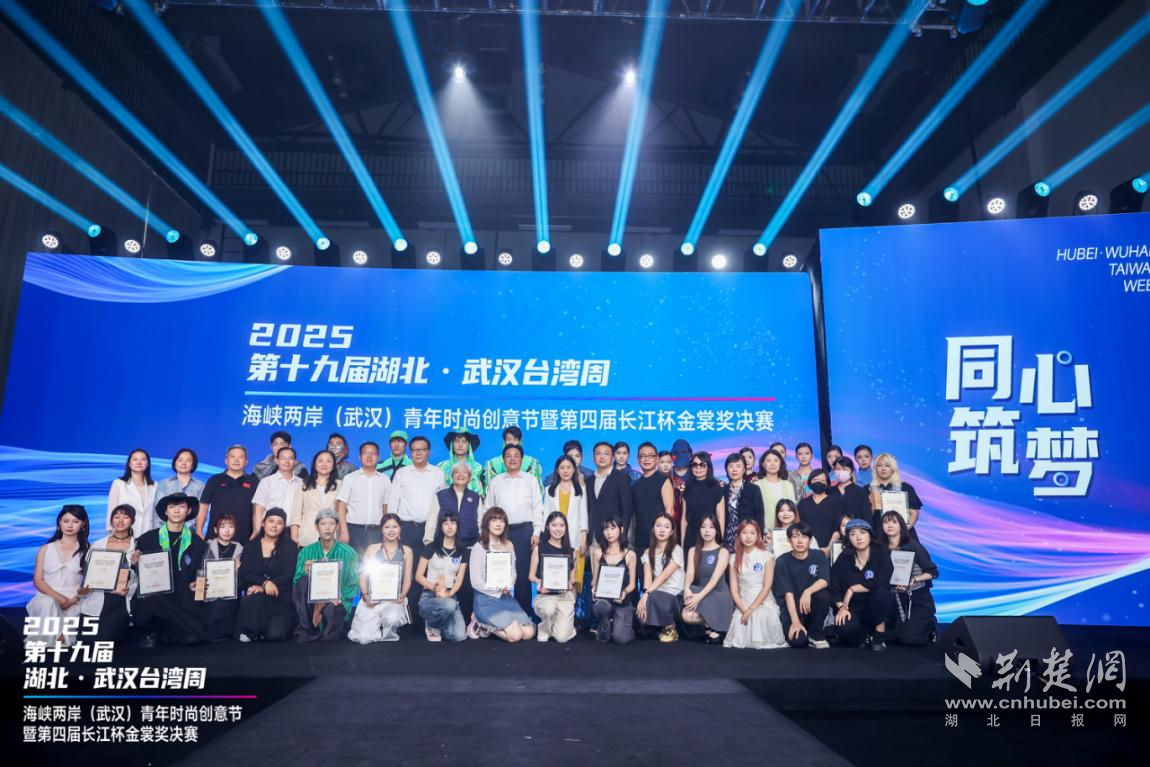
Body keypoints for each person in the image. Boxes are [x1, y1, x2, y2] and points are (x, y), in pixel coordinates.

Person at [132, 493, 207, 647]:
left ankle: (164, 633)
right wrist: (134, 563)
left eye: (181, 507)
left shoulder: (198, 543)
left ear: (188, 511)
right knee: (151, 600)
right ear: (166, 511)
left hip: (182, 597)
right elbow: (141, 575)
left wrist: (195, 583)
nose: (176, 511)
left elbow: (198, 574)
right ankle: (157, 631)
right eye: (172, 507)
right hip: (156, 595)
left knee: (196, 636)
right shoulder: (147, 539)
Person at [486, 444, 545, 614]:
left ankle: (524, 615)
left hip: (525, 531)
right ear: (503, 460)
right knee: (499, 573)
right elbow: (489, 508)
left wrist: (536, 532)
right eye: (508, 456)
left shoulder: (530, 480)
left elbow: (537, 508)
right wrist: (489, 534)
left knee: (522, 575)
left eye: (516, 455)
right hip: (501, 532)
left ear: (521, 459)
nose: (512, 459)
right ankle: (499, 615)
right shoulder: (496, 481)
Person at [389, 435, 444, 610]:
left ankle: (424, 616)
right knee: (406, 571)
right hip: (407, 529)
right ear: (410, 452)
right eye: (414, 450)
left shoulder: (438, 473)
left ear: (429, 452)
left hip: (430, 530)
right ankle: (404, 614)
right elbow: (393, 502)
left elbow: (442, 504)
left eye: (422, 450)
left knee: (428, 572)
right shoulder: (402, 473)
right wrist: (393, 529)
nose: (418, 453)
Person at [469, 507, 536, 642]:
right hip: (486, 600)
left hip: (505, 597)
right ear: (487, 523)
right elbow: (475, 582)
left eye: (502, 521)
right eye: (494, 520)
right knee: (515, 636)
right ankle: (479, 623)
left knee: (529, 633)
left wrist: (509, 583)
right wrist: (497, 587)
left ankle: (494, 625)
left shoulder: (509, 545)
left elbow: (513, 572)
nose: (498, 524)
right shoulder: (479, 547)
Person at [292, 508, 359, 642]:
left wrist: (340, 597)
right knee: (303, 581)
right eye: (323, 524)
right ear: (317, 527)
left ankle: (327, 629)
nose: (327, 528)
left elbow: (353, 584)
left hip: (336, 601)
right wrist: (305, 571)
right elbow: (296, 584)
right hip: (311, 604)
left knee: (329, 635)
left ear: (337, 526)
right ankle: (307, 629)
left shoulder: (349, 553)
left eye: (331, 523)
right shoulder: (305, 552)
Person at [235, 507, 298, 643]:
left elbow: (289, 575)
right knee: (253, 600)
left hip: (280, 600)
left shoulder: (291, 547)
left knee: (274, 635)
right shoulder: (251, 546)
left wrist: (264, 587)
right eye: (271, 521)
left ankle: (263, 628)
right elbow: (245, 573)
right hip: (257, 599)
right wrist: (265, 583)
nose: (274, 525)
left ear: (284, 527)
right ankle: (250, 630)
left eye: (279, 523)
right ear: (263, 523)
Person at [27, 505, 88, 646]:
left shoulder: (88, 550)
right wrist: (61, 599)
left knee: (65, 640)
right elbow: (38, 581)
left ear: (83, 524)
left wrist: (74, 599)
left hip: (75, 599)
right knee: (48, 604)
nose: (70, 525)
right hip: (48, 595)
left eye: (75, 521)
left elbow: (91, 582)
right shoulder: (45, 549)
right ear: (59, 522)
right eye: (66, 521)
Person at [348, 514, 413, 643]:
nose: (391, 530)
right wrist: (365, 595)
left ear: (400, 529)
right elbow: (363, 575)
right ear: (381, 529)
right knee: (363, 638)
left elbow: (407, 578)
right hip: (372, 598)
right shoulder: (372, 549)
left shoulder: (406, 551)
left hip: (393, 599)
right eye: (387, 527)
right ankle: (375, 625)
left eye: (395, 527)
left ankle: (388, 629)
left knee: (392, 618)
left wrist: (403, 594)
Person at [830, 518, 892, 651]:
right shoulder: (844, 557)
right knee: (844, 629)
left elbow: (882, 580)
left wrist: (853, 589)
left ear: (870, 535)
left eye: (862, 532)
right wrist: (841, 607)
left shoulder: (881, 552)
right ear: (848, 538)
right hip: (853, 607)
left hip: (876, 606)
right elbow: (834, 584)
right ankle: (863, 636)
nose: (858, 538)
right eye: (853, 534)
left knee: (881, 592)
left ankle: (878, 635)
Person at [724, 519, 786, 650]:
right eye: (744, 532)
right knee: (738, 636)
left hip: (764, 603)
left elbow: (767, 587)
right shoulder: (733, 558)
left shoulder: (767, 556)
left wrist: (751, 610)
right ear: (739, 535)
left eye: (752, 533)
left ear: (758, 535)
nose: (748, 537)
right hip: (743, 604)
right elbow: (734, 589)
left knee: (758, 615)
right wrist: (744, 610)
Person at [881, 511, 939, 646]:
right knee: (891, 637)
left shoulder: (914, 546)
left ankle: (930, 624)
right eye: (886, 522)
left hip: (917, 598)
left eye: (894, 522)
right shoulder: (880, 549)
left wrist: (914, 579)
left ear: (901, 526)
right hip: (895, 598)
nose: (890, 525)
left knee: (907, 639)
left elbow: (933, 572)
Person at [79, 504, 134, 643]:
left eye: (125, 517)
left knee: (105, 639)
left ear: (132, 521)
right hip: (97, 596)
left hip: (122, 598)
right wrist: (85, 588)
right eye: (116, 517)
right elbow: (88, 572)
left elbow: (138, 578)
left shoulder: (137, 545)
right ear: (111, 520)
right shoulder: (98, 545)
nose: (120, 520)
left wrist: (129, 587)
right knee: (86, 640)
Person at [773, 521, 831, 649]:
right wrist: (795, 622)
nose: (799, 541)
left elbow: (824, 580)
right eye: (795, 537)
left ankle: (815, 634)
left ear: (810, 540)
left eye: (804, 537)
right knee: (799, 641)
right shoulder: (782, 561)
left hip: (811, 605)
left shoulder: (819, 555)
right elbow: (788, 593)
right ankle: (803, 632)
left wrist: (808, 591)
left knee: (823, 595)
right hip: (792, 608)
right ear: (789, 540)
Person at [415, 512, 469, 642]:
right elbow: (418, 576)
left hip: (449, 595)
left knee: (460, 636)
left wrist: (449, 594)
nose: (449, 527)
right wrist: (435, 588)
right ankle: (432, 624)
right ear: (441, 526)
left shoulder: (463, 551)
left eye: (453, 523)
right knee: (449, 605)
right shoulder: (431, 547)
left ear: (458, 526)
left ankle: (438, 624)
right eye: (445, 523)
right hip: (429, 595)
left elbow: (459, 579)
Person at [680, 513, 734, 642]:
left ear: (717, 530)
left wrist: (698, 597)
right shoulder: (693, 550)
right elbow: (690, 573)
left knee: (690, 611)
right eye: (703, 527)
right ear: (699, 529)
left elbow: (714, 580)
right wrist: (686, 588)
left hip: (718, 594)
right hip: (699, 590)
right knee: (686, 615)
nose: (707, 530)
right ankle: (709, 625)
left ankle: (719, 626)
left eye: (711, 527)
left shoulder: (723, 551)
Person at [529, 512, 578, 643]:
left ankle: (563, 626)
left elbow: (572, 579)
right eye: (554, 525)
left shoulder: (571, 551)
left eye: (561, 525)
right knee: (549, 608)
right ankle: (544, 628)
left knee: (561, 638)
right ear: (547, 527)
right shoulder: (539, 548)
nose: (558, 529)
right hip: (545, 596)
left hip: (564, 597)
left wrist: (568, 584)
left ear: (566, 528)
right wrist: (540, 582)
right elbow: (531, 576)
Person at [335, 441, 391, 554]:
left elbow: (386, 507)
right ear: (359, 457)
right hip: (353, 530)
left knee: (376, 563)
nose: (369, 456)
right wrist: (344, 530)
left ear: (378, 457)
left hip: (377, 531)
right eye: (365, 453)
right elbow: (341, 505)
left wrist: (387, 530)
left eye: (373, 453)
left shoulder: (385, 479)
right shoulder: (350, 478)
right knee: (353, 563)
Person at [635, 514, 683, 642]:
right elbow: (648, 577)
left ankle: (671, 628)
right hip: (656, 593)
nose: (662, 530)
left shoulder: (676, 550)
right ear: (653, 529)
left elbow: (664, 576)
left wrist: (648, 594)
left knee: (653, 597)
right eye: (658, 526)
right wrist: (644, 596)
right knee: (640, 615)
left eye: (666, 527)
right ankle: (659, 626)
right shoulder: (647, 552)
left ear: (672, 531)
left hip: (675, 596)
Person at [544, 455, 588, 592]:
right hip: (555, 537)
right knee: (557, 577)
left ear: (574, 470)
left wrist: (583, 537)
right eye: (562, 468)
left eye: (569, 467)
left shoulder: (581, 490)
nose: (565, 471)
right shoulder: (549, 490)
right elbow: (546, 516)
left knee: (574, 579)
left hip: (575, 538)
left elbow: (583, 514)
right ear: (557, 470)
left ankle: (572, 605)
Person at [590, 517, 636, 644]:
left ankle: (622, 627)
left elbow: (632, 584)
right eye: (606, 529)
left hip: (622, 601)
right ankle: (605, 622)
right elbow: (594, 580)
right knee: (601, 606)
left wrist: (624, 592)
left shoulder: (630, 555)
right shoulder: (598, 553)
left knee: (620, 639)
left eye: (613, 528)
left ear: (621, 530)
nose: (609, 532)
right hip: (605, 600)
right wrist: (594, 589)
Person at [198, 445, 258, 542]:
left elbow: (257, 510)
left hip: (244, 537)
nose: (236, 460)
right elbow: (203, 506)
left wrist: (256, 532)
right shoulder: (214, 480)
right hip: (215, 537)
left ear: (246, 462)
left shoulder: (254, 482)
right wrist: (199, 530)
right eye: (232, 456)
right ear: (226, 460)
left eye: (240, 457)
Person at [202, 512, 244, 641]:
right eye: (223, 526)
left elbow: (242, 579)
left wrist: (236, 570)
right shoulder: (207, 547)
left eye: (231, 526)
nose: (227, 530)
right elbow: (200, 572)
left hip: (231, 593)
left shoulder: (239, 549)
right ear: (215, 529)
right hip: (210, 592)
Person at [586, 441, 634, 548]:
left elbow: (626, 510)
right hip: (594, 537)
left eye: (606, 454)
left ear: (612, 457)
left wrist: (622, 535)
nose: (602, 457)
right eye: (598, 453)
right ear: (593, 457)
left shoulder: (622, 478)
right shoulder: (589, 480)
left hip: (613, 537)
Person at [251, 446, 304, 542]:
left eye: (290, 458)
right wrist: (257, 532)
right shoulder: (266, 482)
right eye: (283, 458)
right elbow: (258, 510)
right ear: (277, 460)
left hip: (293, 532)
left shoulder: (302, 483)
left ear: (295, 461)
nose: (286, 461)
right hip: (270, 531)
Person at [631, 442, 674, 556]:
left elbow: (669, 511)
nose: (646, 459)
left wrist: (664, 537)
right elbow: (635, 515)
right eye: (643, 456)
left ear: (656, 459)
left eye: (650, 455)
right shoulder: (635, 485)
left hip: (660, 540)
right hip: (640, 541)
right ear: (638, 459)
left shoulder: (664, 481)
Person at [292, 450, 341, 547]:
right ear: (314, 464)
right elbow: (295, 514)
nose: (324, 464)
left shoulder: (341, 485)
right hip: (307, 535)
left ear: (334, 465)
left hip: (332, 536)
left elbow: (343, 514)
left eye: (328, 461)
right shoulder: (303, 485)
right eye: (320, 461)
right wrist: (294, 537)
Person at [868, 453, 924, 536]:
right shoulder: (868, 489)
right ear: (875, 468)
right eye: (879, 465)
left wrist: (904, 530)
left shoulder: (905, 487)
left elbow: (913, 513)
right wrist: (872, 505)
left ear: (893, 468)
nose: (883, 469)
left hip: (904, 534)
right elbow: (866, 516)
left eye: (887, 465)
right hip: (878, 534)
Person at [681, 452, 724, 553]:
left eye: (702, 465)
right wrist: (682, 542)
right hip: (691, 537)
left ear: (708, 466)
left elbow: (721, 516)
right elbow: (684, 518)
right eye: (695, 465)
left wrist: (720, 540)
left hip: (710, 537)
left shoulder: (717, 487)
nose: (698, 468)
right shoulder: (687, 488)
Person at [107, 448, 157, 537]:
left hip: (148, 533)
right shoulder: (119, 483)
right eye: (135, 459)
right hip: (124, 533)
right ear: (129, 463)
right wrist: (111, 530)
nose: (139, 462)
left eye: (143, 459)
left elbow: (155, 513)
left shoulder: (154, 485)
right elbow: (112, 509)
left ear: (148, 464)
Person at [723, 452, 764, 553]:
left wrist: (759, 536)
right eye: (731, 466)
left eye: (738, 466)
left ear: (744, 469)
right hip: (727, 537)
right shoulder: (722, 490)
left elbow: (759, 515)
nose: (734, 469)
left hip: (747, 536)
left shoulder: (753, 489)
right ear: (726, 469)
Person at [798, 468, 843, 556]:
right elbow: (800, 527)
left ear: (827, 484)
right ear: (810, 482)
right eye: (815, 480)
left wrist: (829, 548)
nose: (818, 482)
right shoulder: (803, 503)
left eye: (822, 480)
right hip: (808, 550)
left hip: (831, 550)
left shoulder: (836, 502)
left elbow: (838, 528)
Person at [484, 425, 544, 489]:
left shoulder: (532, 463)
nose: (512, 442)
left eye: (515, 439)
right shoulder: (492, 464)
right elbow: (489, 491)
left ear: (520, 442)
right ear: (504, 442)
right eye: (508, 439)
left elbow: (537, 490)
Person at [436, 430, 484, 495]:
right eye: (457, 441)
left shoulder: (478, 468)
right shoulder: (442, 466)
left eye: (464, 441)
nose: (460, 445)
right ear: (452, 444)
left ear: (469, 445)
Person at [755, 449, 795, 521]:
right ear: (763, 464)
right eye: (769, 461)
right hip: (765, 527)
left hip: (786, 526)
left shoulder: (788, 485)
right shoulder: (757, 485)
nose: (772, 464)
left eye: (776, 460)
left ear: (780, 463)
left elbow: (793, 510)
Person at [833, 456, 871, 521]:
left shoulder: (860, 492)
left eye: (845, 469)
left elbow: (867, 516)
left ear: (852, 472)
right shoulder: (830, 491)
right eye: (838, 469)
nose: (841, 472)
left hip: (855, 526)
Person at [658, 449, 686, 528]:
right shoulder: (654, 480)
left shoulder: (677, 481)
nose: (666, 465)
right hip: (659, 517)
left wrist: (682, 491)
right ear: (657, 463)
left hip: (677, 516)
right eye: (662, 462)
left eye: (669, 462)